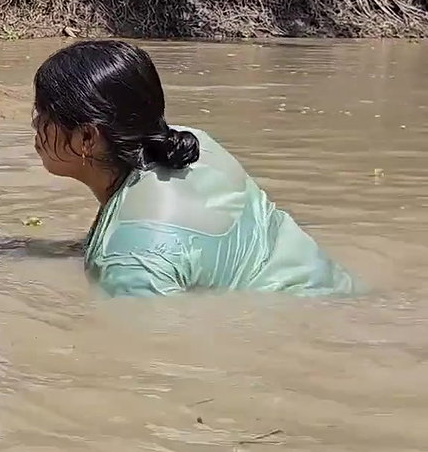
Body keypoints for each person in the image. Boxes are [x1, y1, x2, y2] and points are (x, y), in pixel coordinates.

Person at [30, 39, 359, 298]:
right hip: (337, 290)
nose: (34, 123)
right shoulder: (193, 146)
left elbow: (148, 350)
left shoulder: (131, 262)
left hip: (302, 323)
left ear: (87, 137)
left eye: (43, 113)